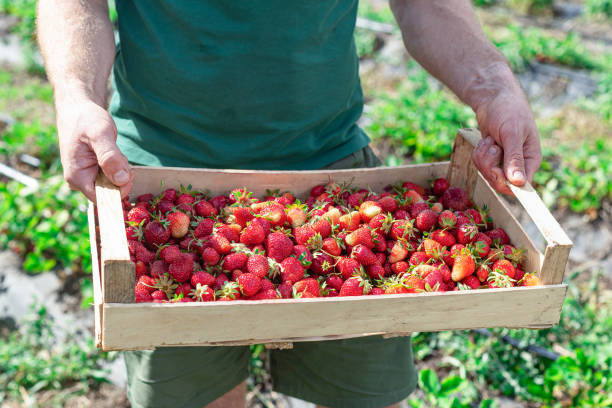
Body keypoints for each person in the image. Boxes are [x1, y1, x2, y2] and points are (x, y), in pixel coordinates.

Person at [37, 1, 542, 407]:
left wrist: (493, 86)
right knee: (195, 395)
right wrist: (78, 97)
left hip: (337, 177)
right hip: (156, 180)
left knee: (362, 391)